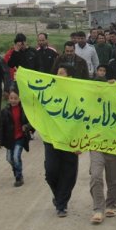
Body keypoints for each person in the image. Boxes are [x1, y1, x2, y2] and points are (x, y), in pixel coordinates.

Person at [44, 64, 80, 217]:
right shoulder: (48, 91)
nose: (58, 76)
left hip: (70, 140)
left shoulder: (78, 93)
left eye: (62, 73)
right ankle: (59, 196)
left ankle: (61, 204)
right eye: (57, 73)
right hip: (51, 138)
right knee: (51, 171)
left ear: (69, 77)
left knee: (69, 173)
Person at [0, 87, 33, 187]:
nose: (13, 100)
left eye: (15, 98)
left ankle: (19, 177)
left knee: (16, 157)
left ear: (19, 99)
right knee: (9, 158)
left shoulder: (24, 110)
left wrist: (27, 126)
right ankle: (16, 169)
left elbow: (32, 122)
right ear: (8, 99)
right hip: (9, 140)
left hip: (20, 138)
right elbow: (0, 127)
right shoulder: (4, 112)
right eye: (11, 98)